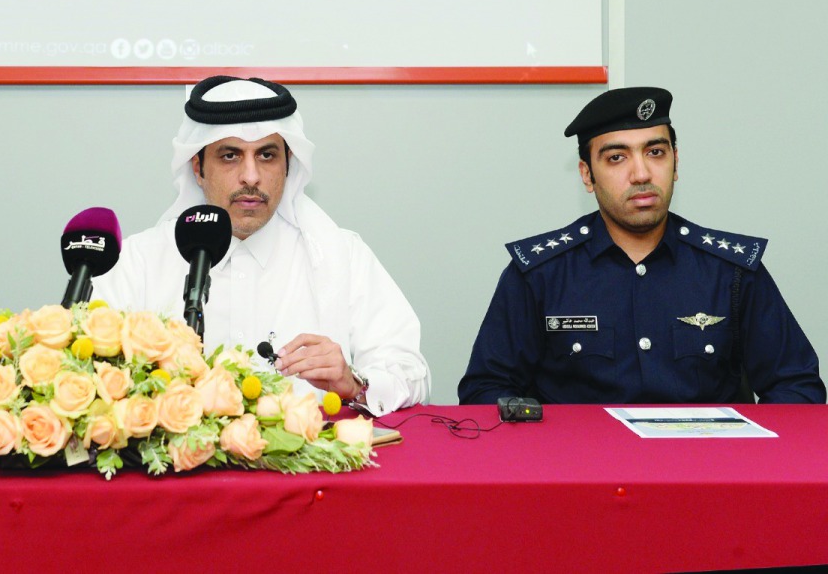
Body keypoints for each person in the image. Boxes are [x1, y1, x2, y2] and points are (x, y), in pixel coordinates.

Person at [458, 87, 824, 405]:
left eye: (655, 152)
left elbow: (797, 386)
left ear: (676, 162)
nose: (642, 174)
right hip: (580, 474)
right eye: (617, 157)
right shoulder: (539, 273)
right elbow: (486, 390)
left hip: (703, 473)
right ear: (587, 174)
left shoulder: (732, 271)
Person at [94, 76, 428, 415]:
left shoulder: (341, 255)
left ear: (287, 167)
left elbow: (411, 372)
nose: (251, 177)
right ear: (198, 168)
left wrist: (353, 383)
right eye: (230, 156)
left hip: (309, 466)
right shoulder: (139, 262)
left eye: (267, 155)